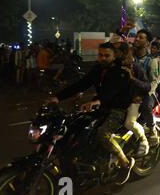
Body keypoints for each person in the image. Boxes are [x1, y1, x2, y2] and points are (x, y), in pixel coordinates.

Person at [47, 42, 136, 185]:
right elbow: (81, 84)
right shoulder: (98, 70)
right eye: (100, 55)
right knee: (75, 128)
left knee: (102, 133)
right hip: (101, 108)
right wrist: (58, 97)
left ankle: (125, 163)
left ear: (114, 56)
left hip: (117, 110)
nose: (103, 58)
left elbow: (111, 92)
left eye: (107, 55)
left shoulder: (121, 71)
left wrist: (96, 102)